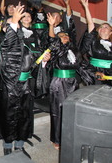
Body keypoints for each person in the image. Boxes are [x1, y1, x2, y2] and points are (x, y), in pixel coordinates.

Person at [0, 5, 49, 156]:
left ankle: (19, 145)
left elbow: (33, 62)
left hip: (25, 84)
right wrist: (13, 20)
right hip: (8, 85)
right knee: (8, 115)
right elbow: (9, 45)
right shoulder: (4, 41)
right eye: (11, 26)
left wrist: (43, 61)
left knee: (24, 115)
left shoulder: (28, 40)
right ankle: (7, 145)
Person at [46, 13, 82, 149]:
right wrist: (51, 26)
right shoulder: (56, 49)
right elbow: (51, 41)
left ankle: (70, 135)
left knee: (72, 110)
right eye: (61, 36)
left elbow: (81, 65)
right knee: (58, 111)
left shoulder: (74, 50)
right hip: (59, 83)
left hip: (73, 83)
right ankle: (57, 139)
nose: (64, 37)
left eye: (66, 35)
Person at [79, 0, 112, 85]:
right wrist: (86, 7)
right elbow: (90, 24)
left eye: (106, 27)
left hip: (110, 74)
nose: (102, 28)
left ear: (110, 32)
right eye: (101, 27)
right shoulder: (94, 41)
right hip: (95, 72)